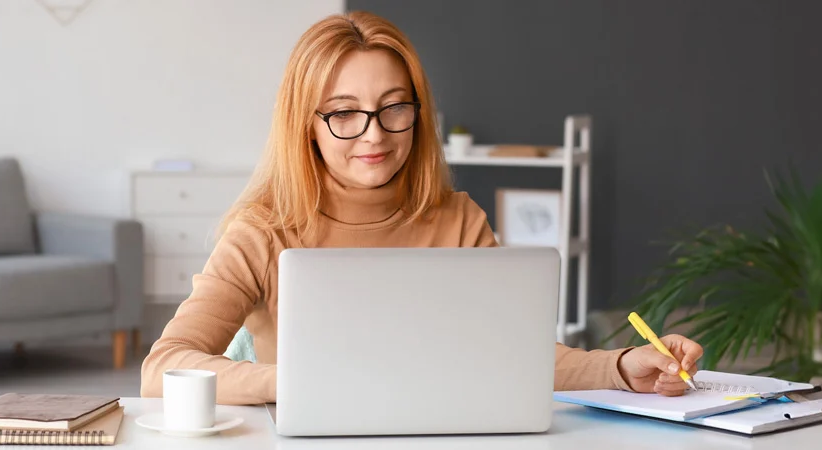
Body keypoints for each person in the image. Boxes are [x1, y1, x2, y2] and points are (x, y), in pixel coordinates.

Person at [140, 11, 703, 406]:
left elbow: (518, 355)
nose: (373, 135)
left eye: (393, 108)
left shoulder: (459, 219)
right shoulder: (263, 230)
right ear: (305, 126)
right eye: (343, 113)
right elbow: (163, 370)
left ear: (417, 110)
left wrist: (625, 367)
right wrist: (293, 380)